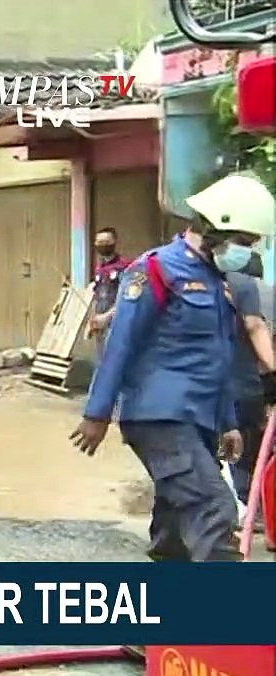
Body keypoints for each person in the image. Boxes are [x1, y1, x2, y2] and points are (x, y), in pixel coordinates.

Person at [71, 173, 276, 562]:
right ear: (216, 229)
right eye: (244, 243)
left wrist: (228, 422)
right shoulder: (155, 270)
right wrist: (97, 413)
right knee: (215, 510)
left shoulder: (215, 281)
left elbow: (215, 359)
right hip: (159, 418)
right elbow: (121, 344)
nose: (247, 253)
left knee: (175, 531)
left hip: (198, 420)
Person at [225, 252, 274, 528]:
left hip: (242, 381)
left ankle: (252, 505)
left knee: (240, 449)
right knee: (264, 447)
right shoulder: (268, 292)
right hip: (263, 381)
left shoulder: (228, 290)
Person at [88, 227, 132, 358]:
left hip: (117, 323)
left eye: (106, 241)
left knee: (114, 360)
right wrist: (93, 317)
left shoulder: (125, 267)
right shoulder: (99, 269)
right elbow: (96, 295)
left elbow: (125, 297)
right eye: (99, 242)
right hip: (100, 324)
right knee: (101, 359)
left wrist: (107, 317)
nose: (102, 245)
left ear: (114, 242)